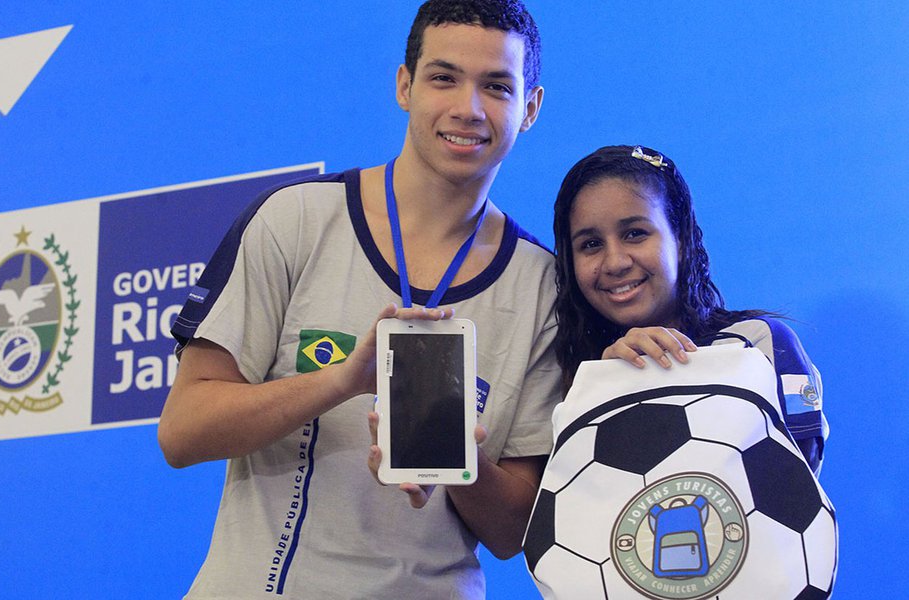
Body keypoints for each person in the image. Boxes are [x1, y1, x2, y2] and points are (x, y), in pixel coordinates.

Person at [157, 1, 562, 598]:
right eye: (443, 77)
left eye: (496, 87)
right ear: (405, 85)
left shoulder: (542, 285)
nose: (467, 108)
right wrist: (345, 380)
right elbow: (182, 432)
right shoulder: (294, 219)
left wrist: (457, 458)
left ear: (529, 109)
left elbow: (513, 536)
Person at [551, 144, 827, 473]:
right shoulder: (575, 377)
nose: (615, 262)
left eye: (635, 234)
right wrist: (605, 388)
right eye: (591, 244)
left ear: (680, 240)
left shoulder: (756, 344)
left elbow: (796, 476)